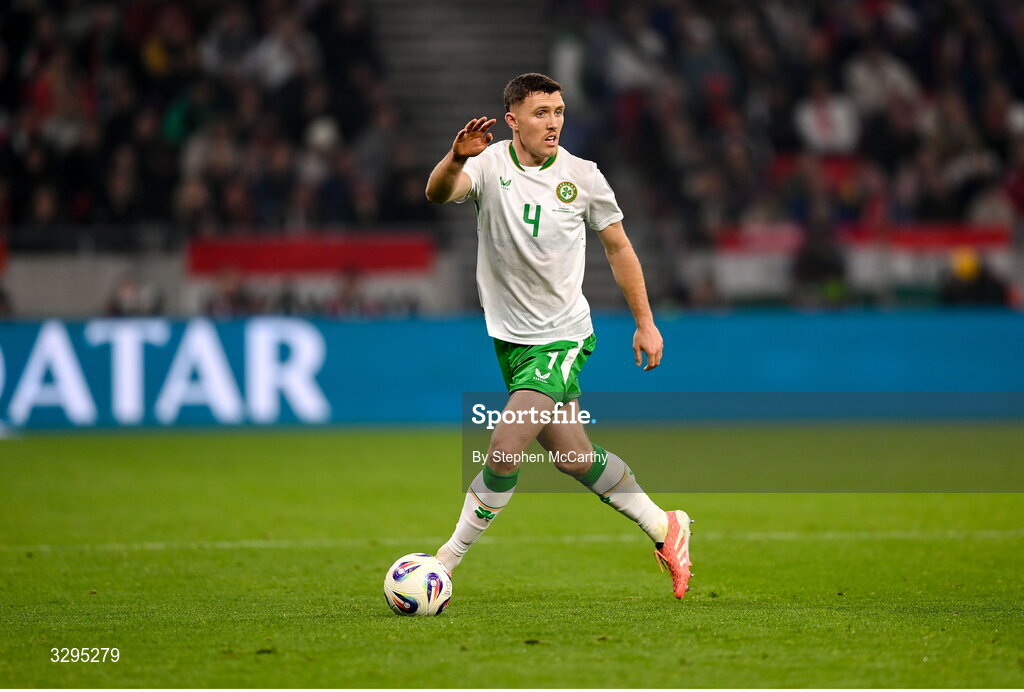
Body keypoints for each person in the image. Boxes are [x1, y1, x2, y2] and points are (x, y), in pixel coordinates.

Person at [424, 73, 693, 599]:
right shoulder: (487, 164)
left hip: (562, 337)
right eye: (541, 113)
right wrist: (455, 157)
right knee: (573, 457)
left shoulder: (584, 177)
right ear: (513, 120)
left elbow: (618, 248)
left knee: (503, 450)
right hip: (510, 341)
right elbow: (437, 194)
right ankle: (667, 527)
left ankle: (444, 563)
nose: (553, 123)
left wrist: (645, 322)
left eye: (559, 111)